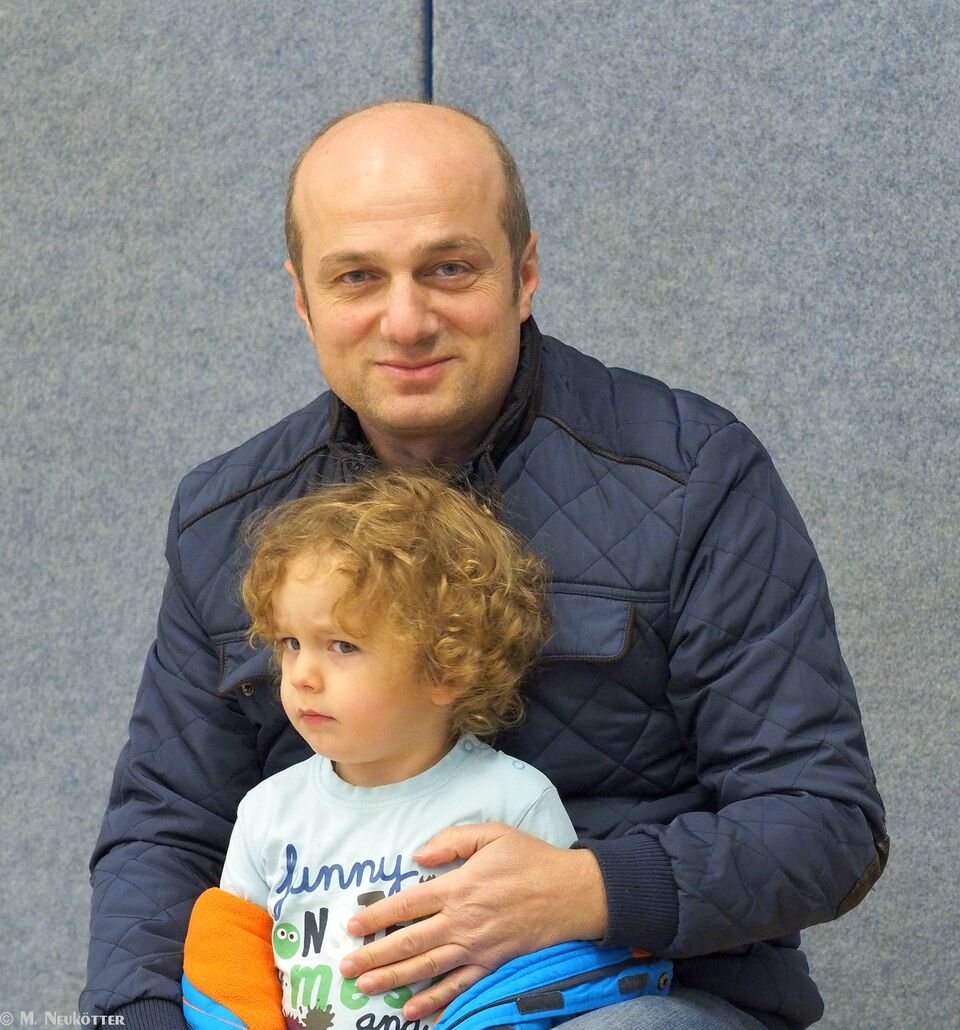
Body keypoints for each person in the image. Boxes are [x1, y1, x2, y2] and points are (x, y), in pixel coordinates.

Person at [84, 101, 888, 1030]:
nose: (406, 319)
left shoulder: (692, 475)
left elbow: (823, 820)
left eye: (449, 268)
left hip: (633, 995)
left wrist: (585, 890)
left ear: (525, 274)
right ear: (303, 300)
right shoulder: (225, 517)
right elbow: (164, 834)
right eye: (357, 277)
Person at [179, 469, 577, 1029]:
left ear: (445, 668)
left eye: (342, 645)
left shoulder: (512, 802)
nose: (302, 675)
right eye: (291, 642)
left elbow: (563, 965)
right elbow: (231, 970)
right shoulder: (268, 812)